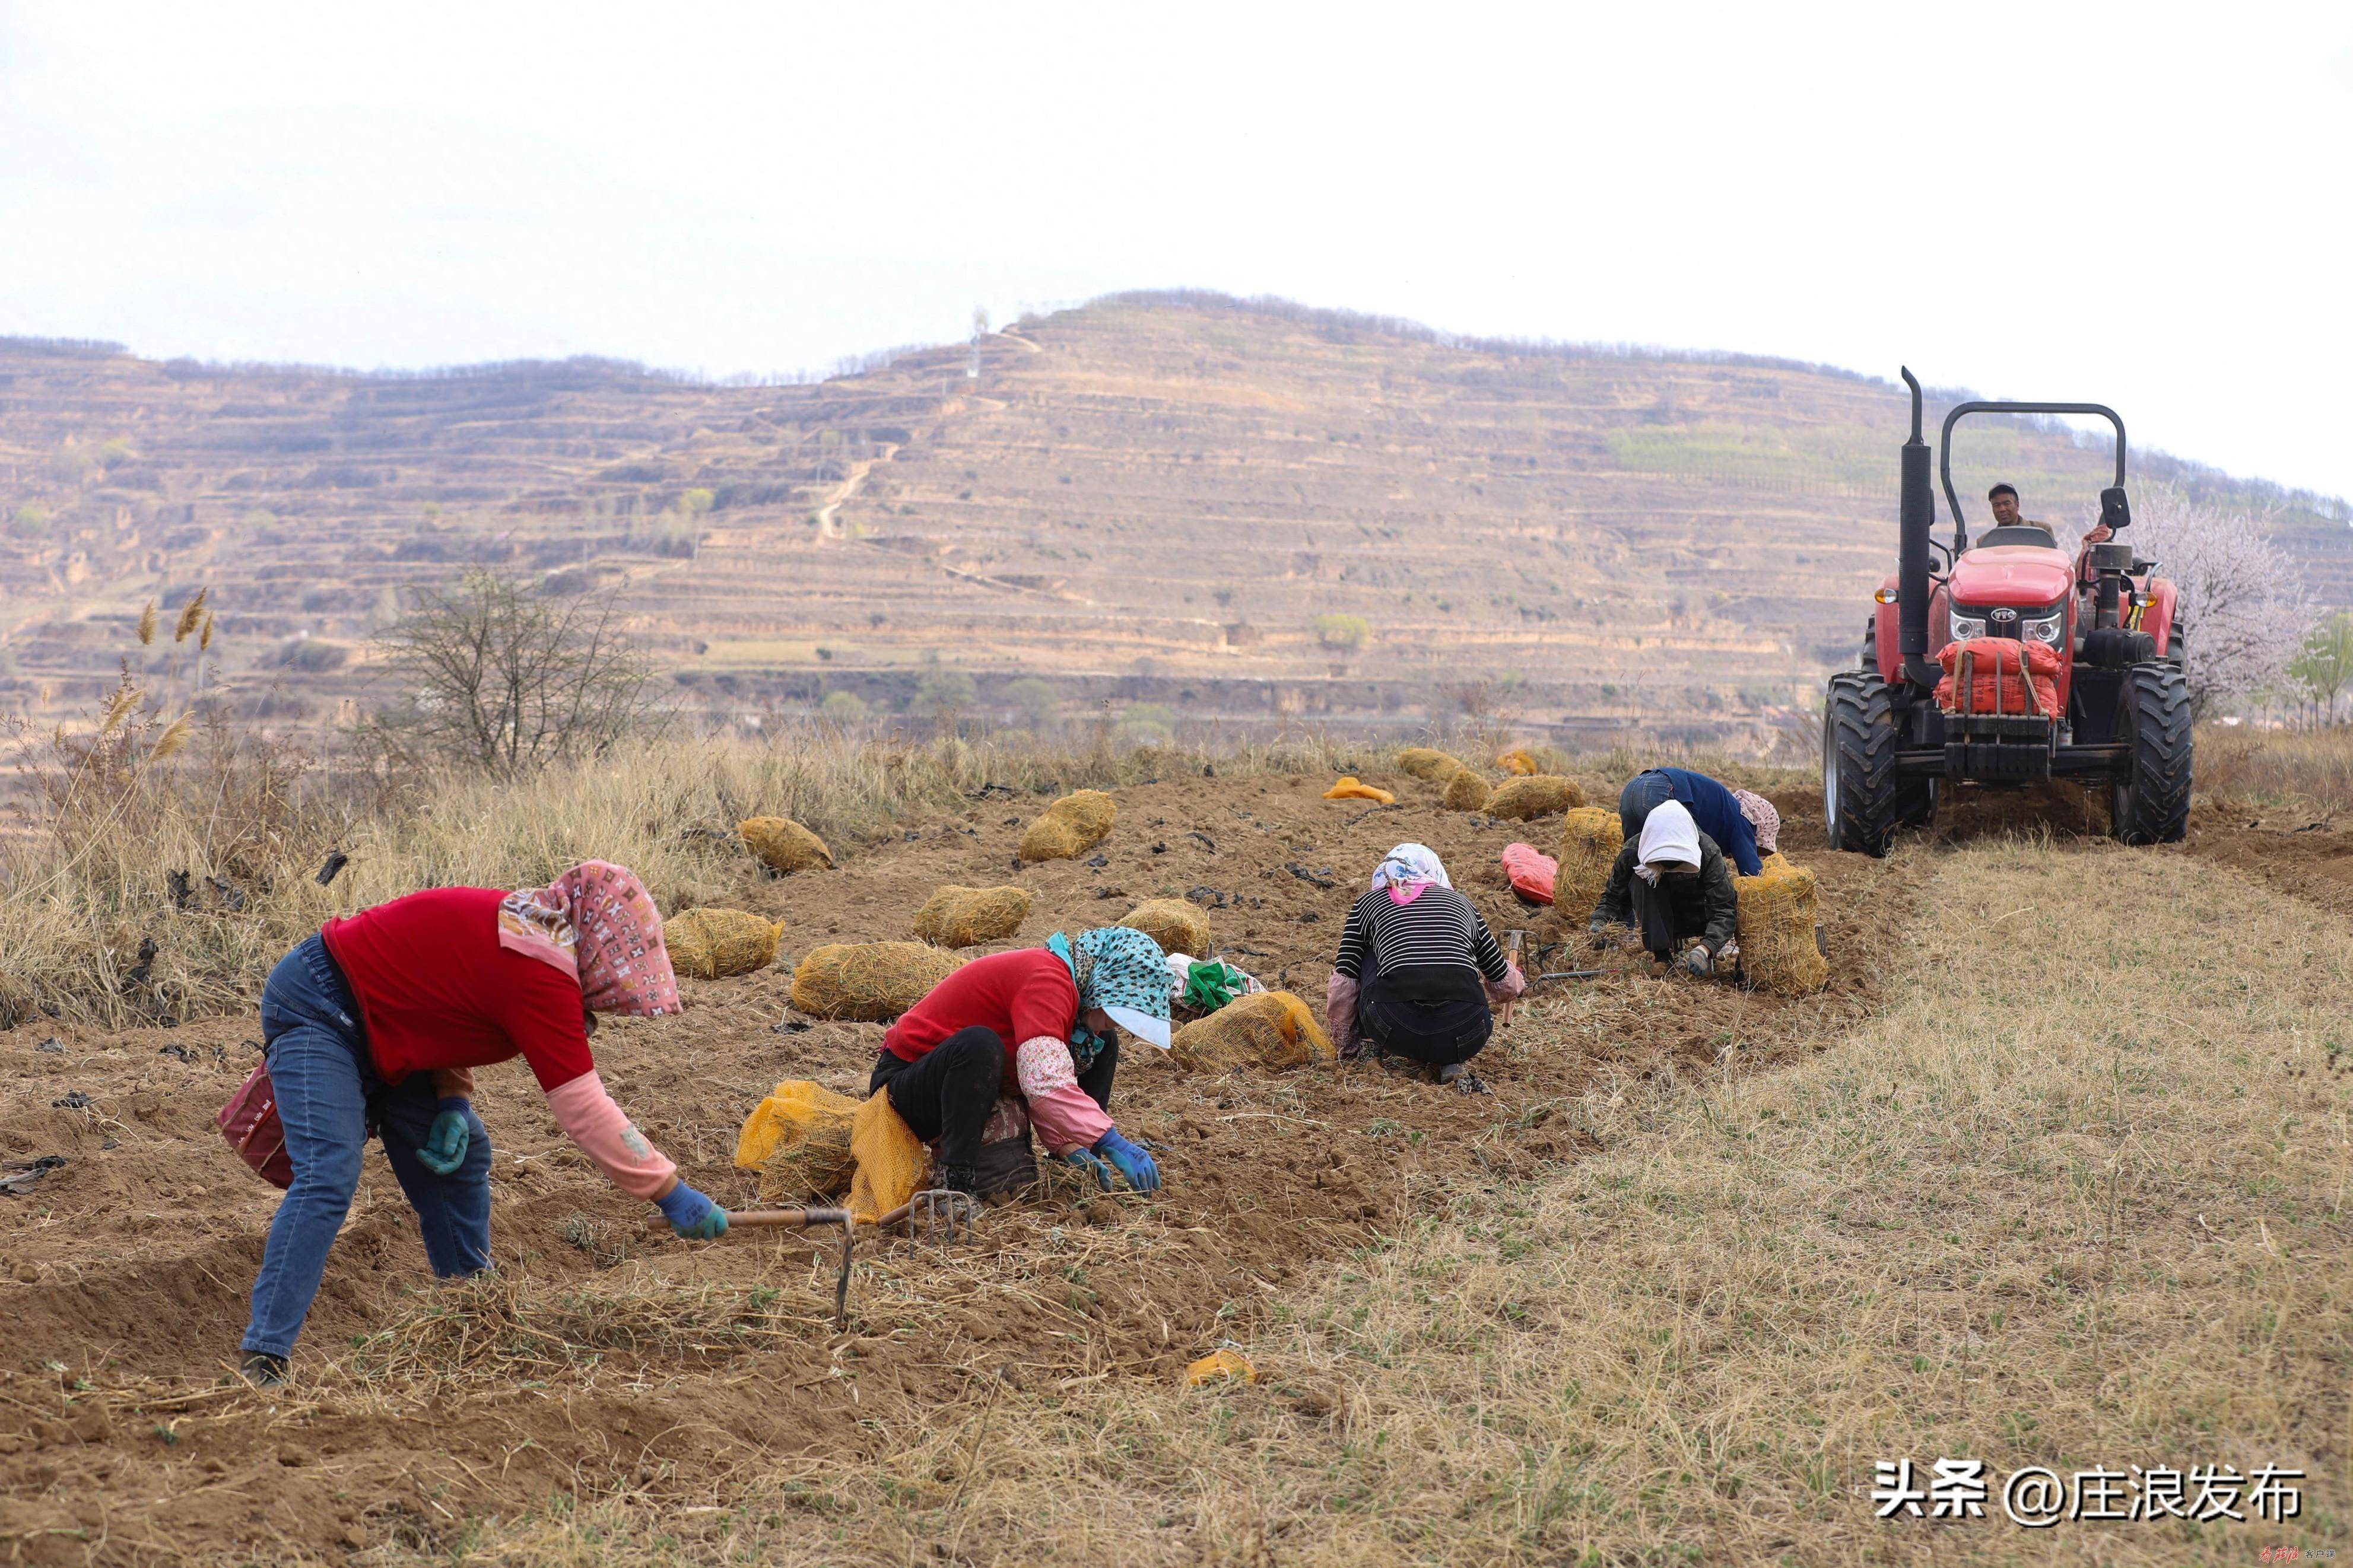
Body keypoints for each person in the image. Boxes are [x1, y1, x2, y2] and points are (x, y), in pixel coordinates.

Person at [239, 861, 719, 1387]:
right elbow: (584, 1109)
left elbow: (444, 996)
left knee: (462, 1159)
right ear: (603, 951)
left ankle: (470, 1314)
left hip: (386, 1024)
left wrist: (451, 1100)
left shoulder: (535, 932)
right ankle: (265, 1355)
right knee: (328, 1174)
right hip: (320, 1002)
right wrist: (671, 1192)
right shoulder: (542, 971)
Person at [876, 927, 1167, 1195]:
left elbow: (1039, 1072)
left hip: (975, 1085)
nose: (1113, 1023)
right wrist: (1110, 1139)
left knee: (1100, 1044)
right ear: (1102, 981)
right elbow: (1044, 1083)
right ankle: (955, 1182)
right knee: (980, 1043)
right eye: (1114, 1012)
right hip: (907, 1086)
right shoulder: (1047, 980)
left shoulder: (1073, 998)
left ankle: (1079, 1151)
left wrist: (1067, 1144)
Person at [1325, 844, 1524, 1094]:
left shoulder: (1368, 903)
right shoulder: (1464, 905)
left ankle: (1368, 1048)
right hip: (1469, 1033)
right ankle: (1451, 1059)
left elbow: (1346, 979)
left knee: (1368, 949)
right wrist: (1516, 978)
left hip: (1391, 1027)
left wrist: (1345, 1042)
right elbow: (1504, 983)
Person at [1592, 802, 1739, 974]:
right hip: (1660, 918)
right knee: (1639, 880)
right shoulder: (1633, 851)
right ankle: (1662, 956)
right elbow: (1614, 896)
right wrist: (1600, 923)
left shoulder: (1708, 852)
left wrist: (1706, 948)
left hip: (1699, 915)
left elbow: (1724, 909)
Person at [1617, 766, 1767, 877]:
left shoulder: (1724, 807)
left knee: (1635, 864)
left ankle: (1619, 919)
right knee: (1696, 863)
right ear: (1759, 830)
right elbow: (1752, 875)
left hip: (1630, 790)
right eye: (1759, 849)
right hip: (1662, 791)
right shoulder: (1743, 819)